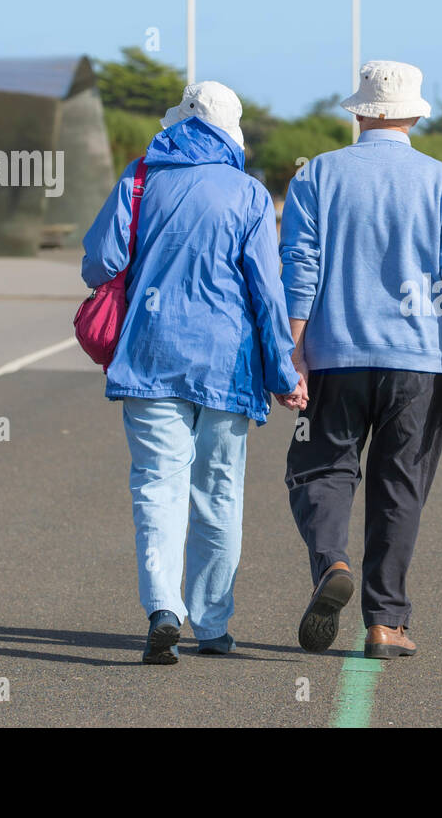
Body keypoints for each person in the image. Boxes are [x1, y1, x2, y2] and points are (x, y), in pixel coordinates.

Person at [81, 81, 301, 665]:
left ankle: (162, 609)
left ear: (180, 124)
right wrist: (282, 373)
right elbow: (267, 293)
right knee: (219, 493)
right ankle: (212, 625)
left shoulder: (141, 177)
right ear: (232, 132)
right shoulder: (250, 195)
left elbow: (100, 261)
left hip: (150, 355)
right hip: (228, 365)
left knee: (157, 485)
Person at [279, 60, 442, 660]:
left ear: (359, 111)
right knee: (400, 489)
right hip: (419, 364)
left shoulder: (318, 175)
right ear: (416, 113)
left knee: (321, 470)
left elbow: (300, 269)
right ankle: (385, 624)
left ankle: (332, 564)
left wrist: (291, 352)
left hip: (334, 359)